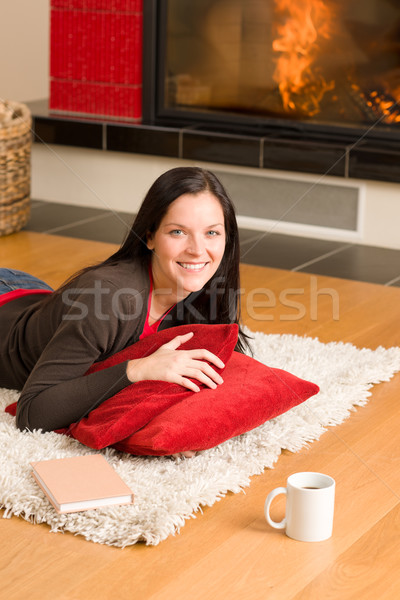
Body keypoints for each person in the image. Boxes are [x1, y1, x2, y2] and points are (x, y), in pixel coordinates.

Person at [0, 166, 249, 444]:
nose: (197, 250)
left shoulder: (203, 290)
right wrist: (137, 370)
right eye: (178, 232)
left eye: (212, 233)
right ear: (150, 237)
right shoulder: (107, 300)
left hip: (29, 289)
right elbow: (33, 413)